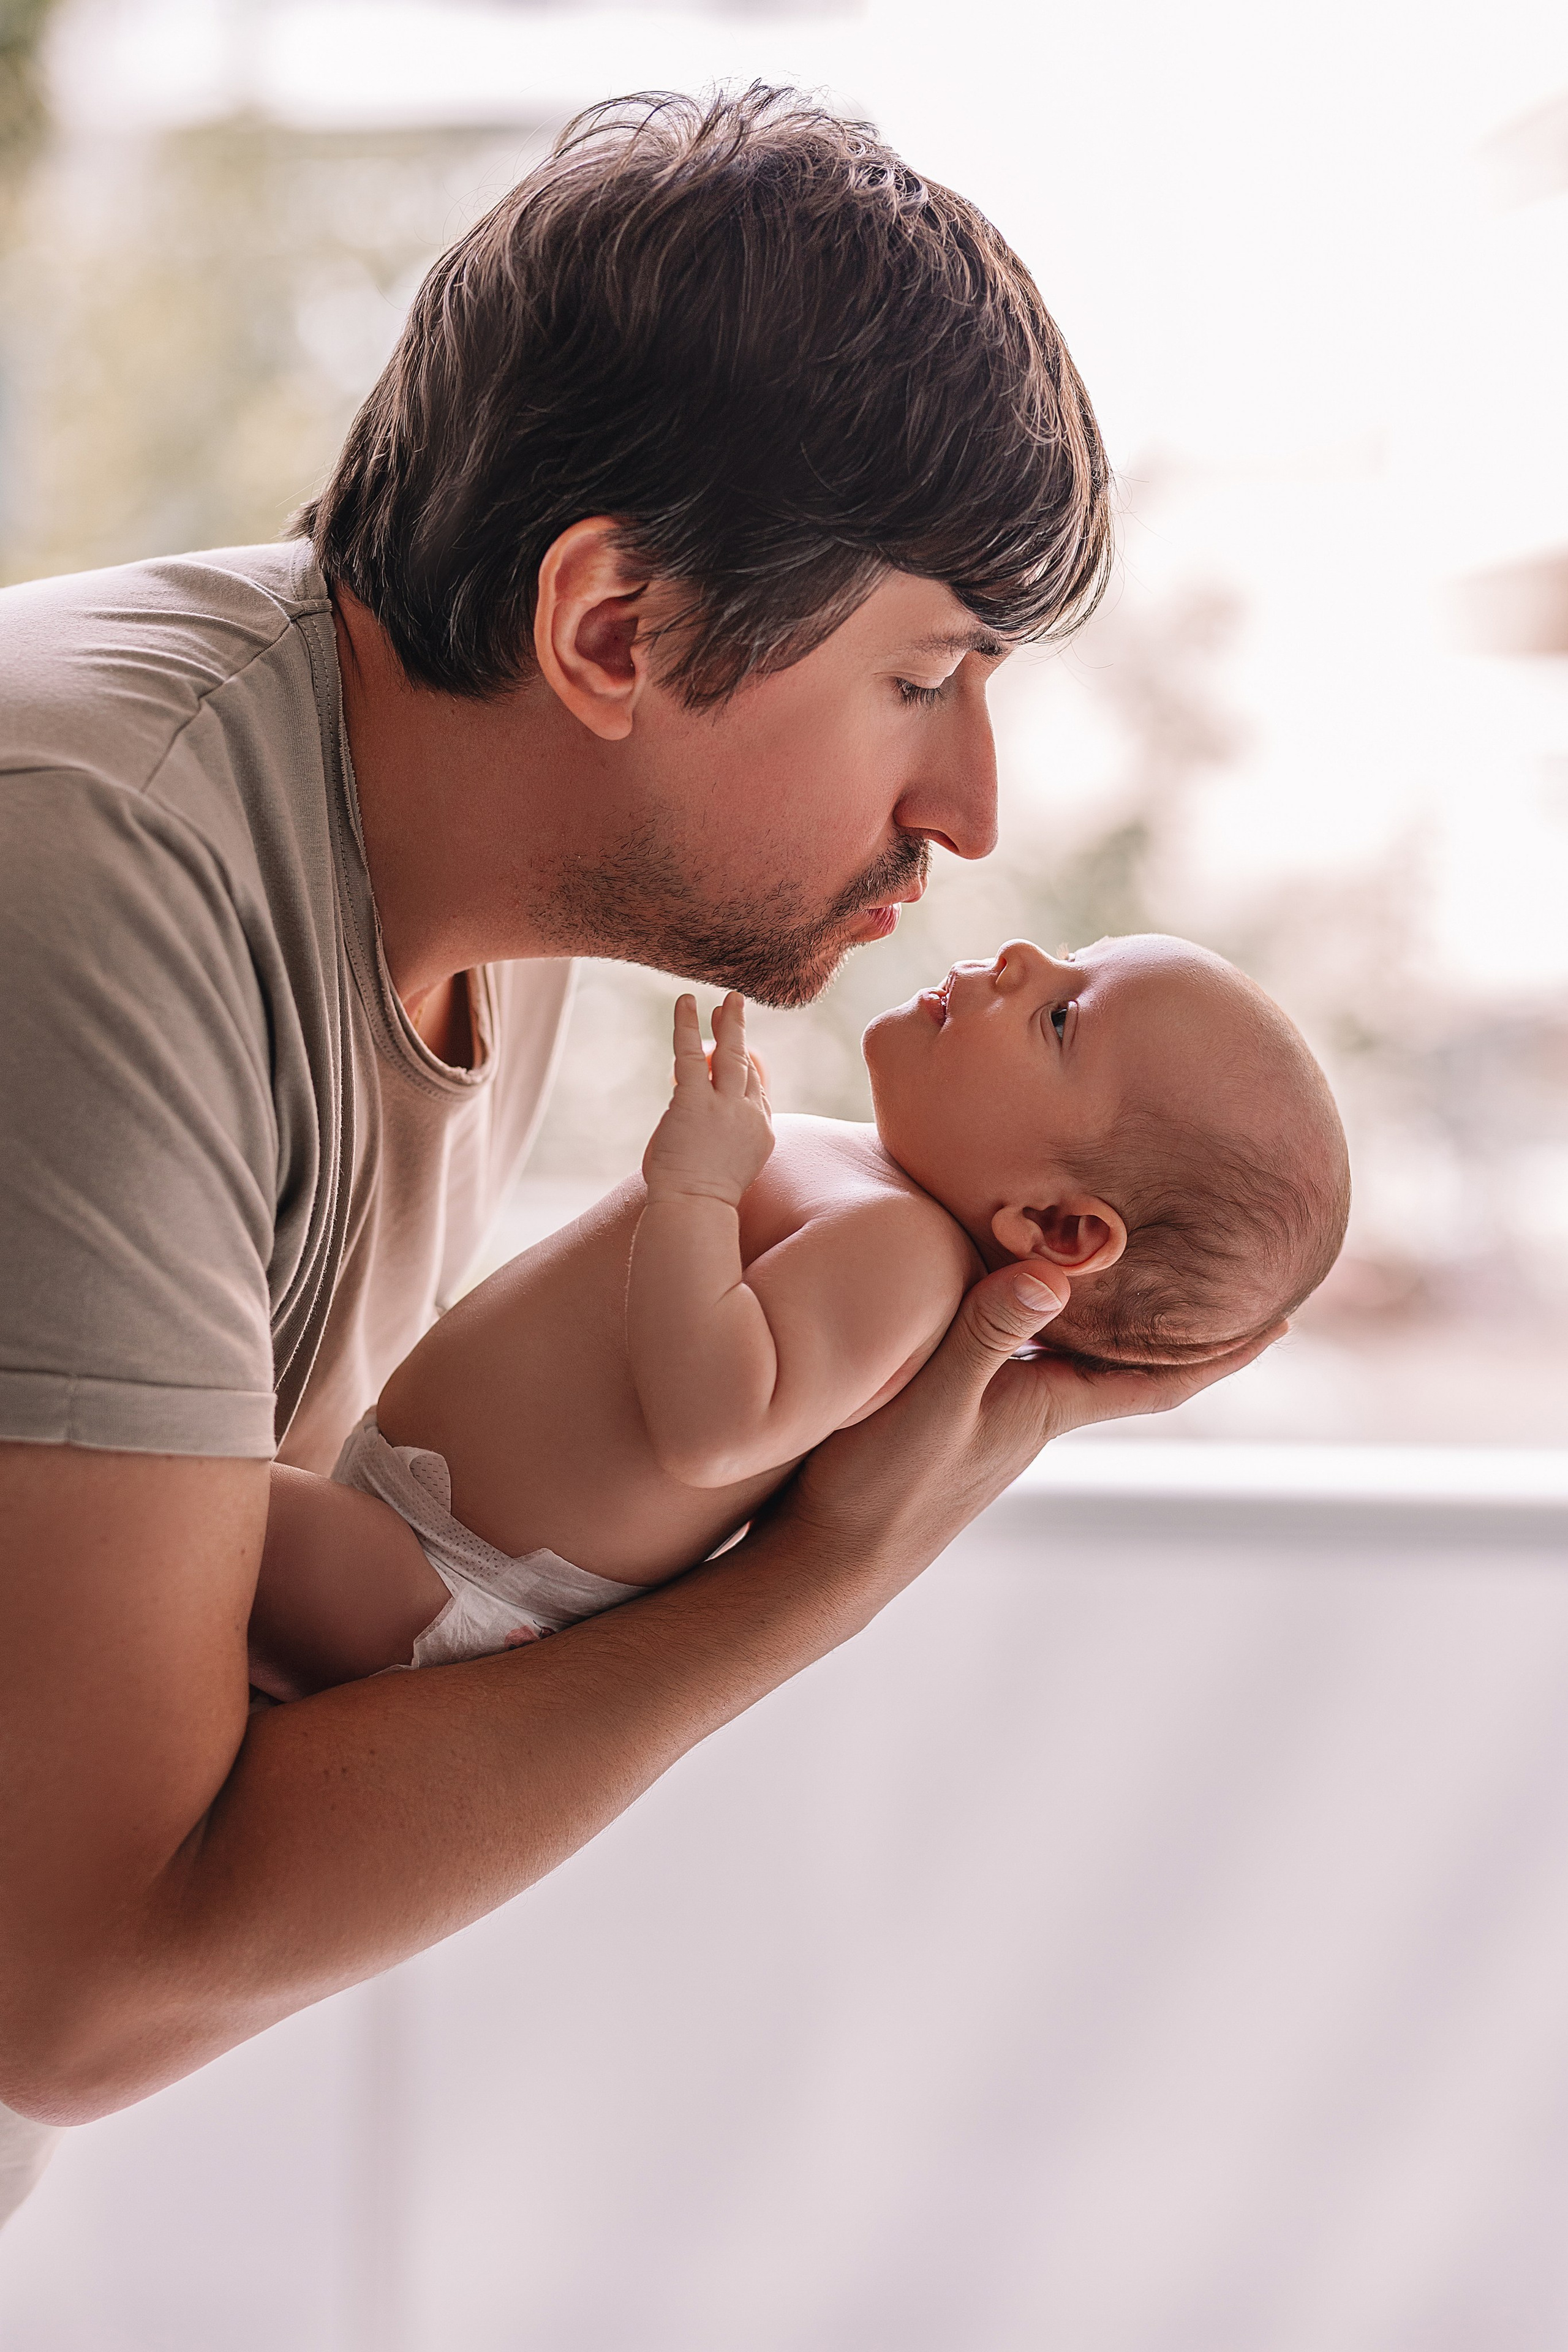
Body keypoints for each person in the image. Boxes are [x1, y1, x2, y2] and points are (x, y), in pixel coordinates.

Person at [0, 88, 1280, 2217]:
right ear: (614, 633)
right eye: (925, 676)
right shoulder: (97, 875)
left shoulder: (480, 895)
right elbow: (76, 1984)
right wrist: (811, 1589)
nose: (971, 807)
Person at [249, 937, 1346, 1698]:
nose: (1020, 961)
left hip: (432, 1576)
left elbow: (713, 1428)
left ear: (1059, 1231)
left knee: (143, 1508)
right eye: (1074, 951)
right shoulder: (871, 1191)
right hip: (406, 1529)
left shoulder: (906, 1260)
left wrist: (699, 1190)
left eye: (1061, 1016)